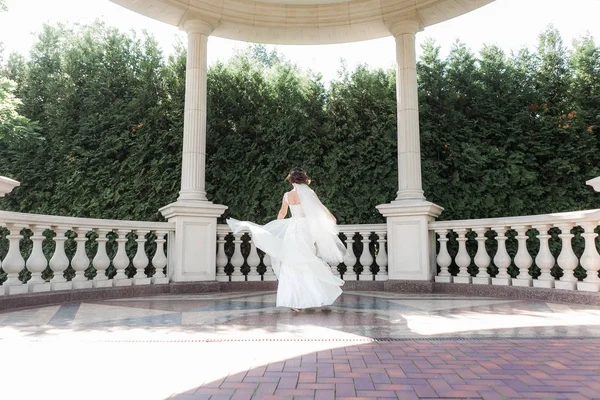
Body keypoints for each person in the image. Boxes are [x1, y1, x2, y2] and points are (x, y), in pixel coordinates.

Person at [227, 168, 345, 311]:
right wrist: (330, 217)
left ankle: (294, 300)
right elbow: (320, 207)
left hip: (293, 228)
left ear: (291, 180)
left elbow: (282, 212)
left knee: (291, 262)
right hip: (305, 228)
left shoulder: (287, 195)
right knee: (306, 259)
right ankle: (314, 296)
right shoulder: (309, 193)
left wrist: (277, 226)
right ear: (303, 179)